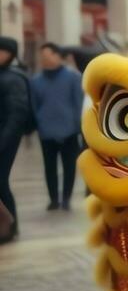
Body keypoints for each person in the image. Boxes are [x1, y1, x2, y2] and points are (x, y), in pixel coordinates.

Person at [30, 42, 84, 211]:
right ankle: (53, 199)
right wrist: (39, 123)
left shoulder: (73, 77)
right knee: (49, 167)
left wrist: (79, 127)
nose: (44, 60)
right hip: (46, 131)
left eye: (47, 55)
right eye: (42, 57)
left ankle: (66, 198)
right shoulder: (36, 81)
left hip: (70, 131)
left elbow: (79, 103)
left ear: (57, 56)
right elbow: (34, 105)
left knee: (69, 166)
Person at [0, 36, 34, 242]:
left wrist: (3, 142)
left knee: (1, 183)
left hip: (5, 140)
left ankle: (9, 227)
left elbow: (17, 115)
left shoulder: (13, 79)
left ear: (9, 53)